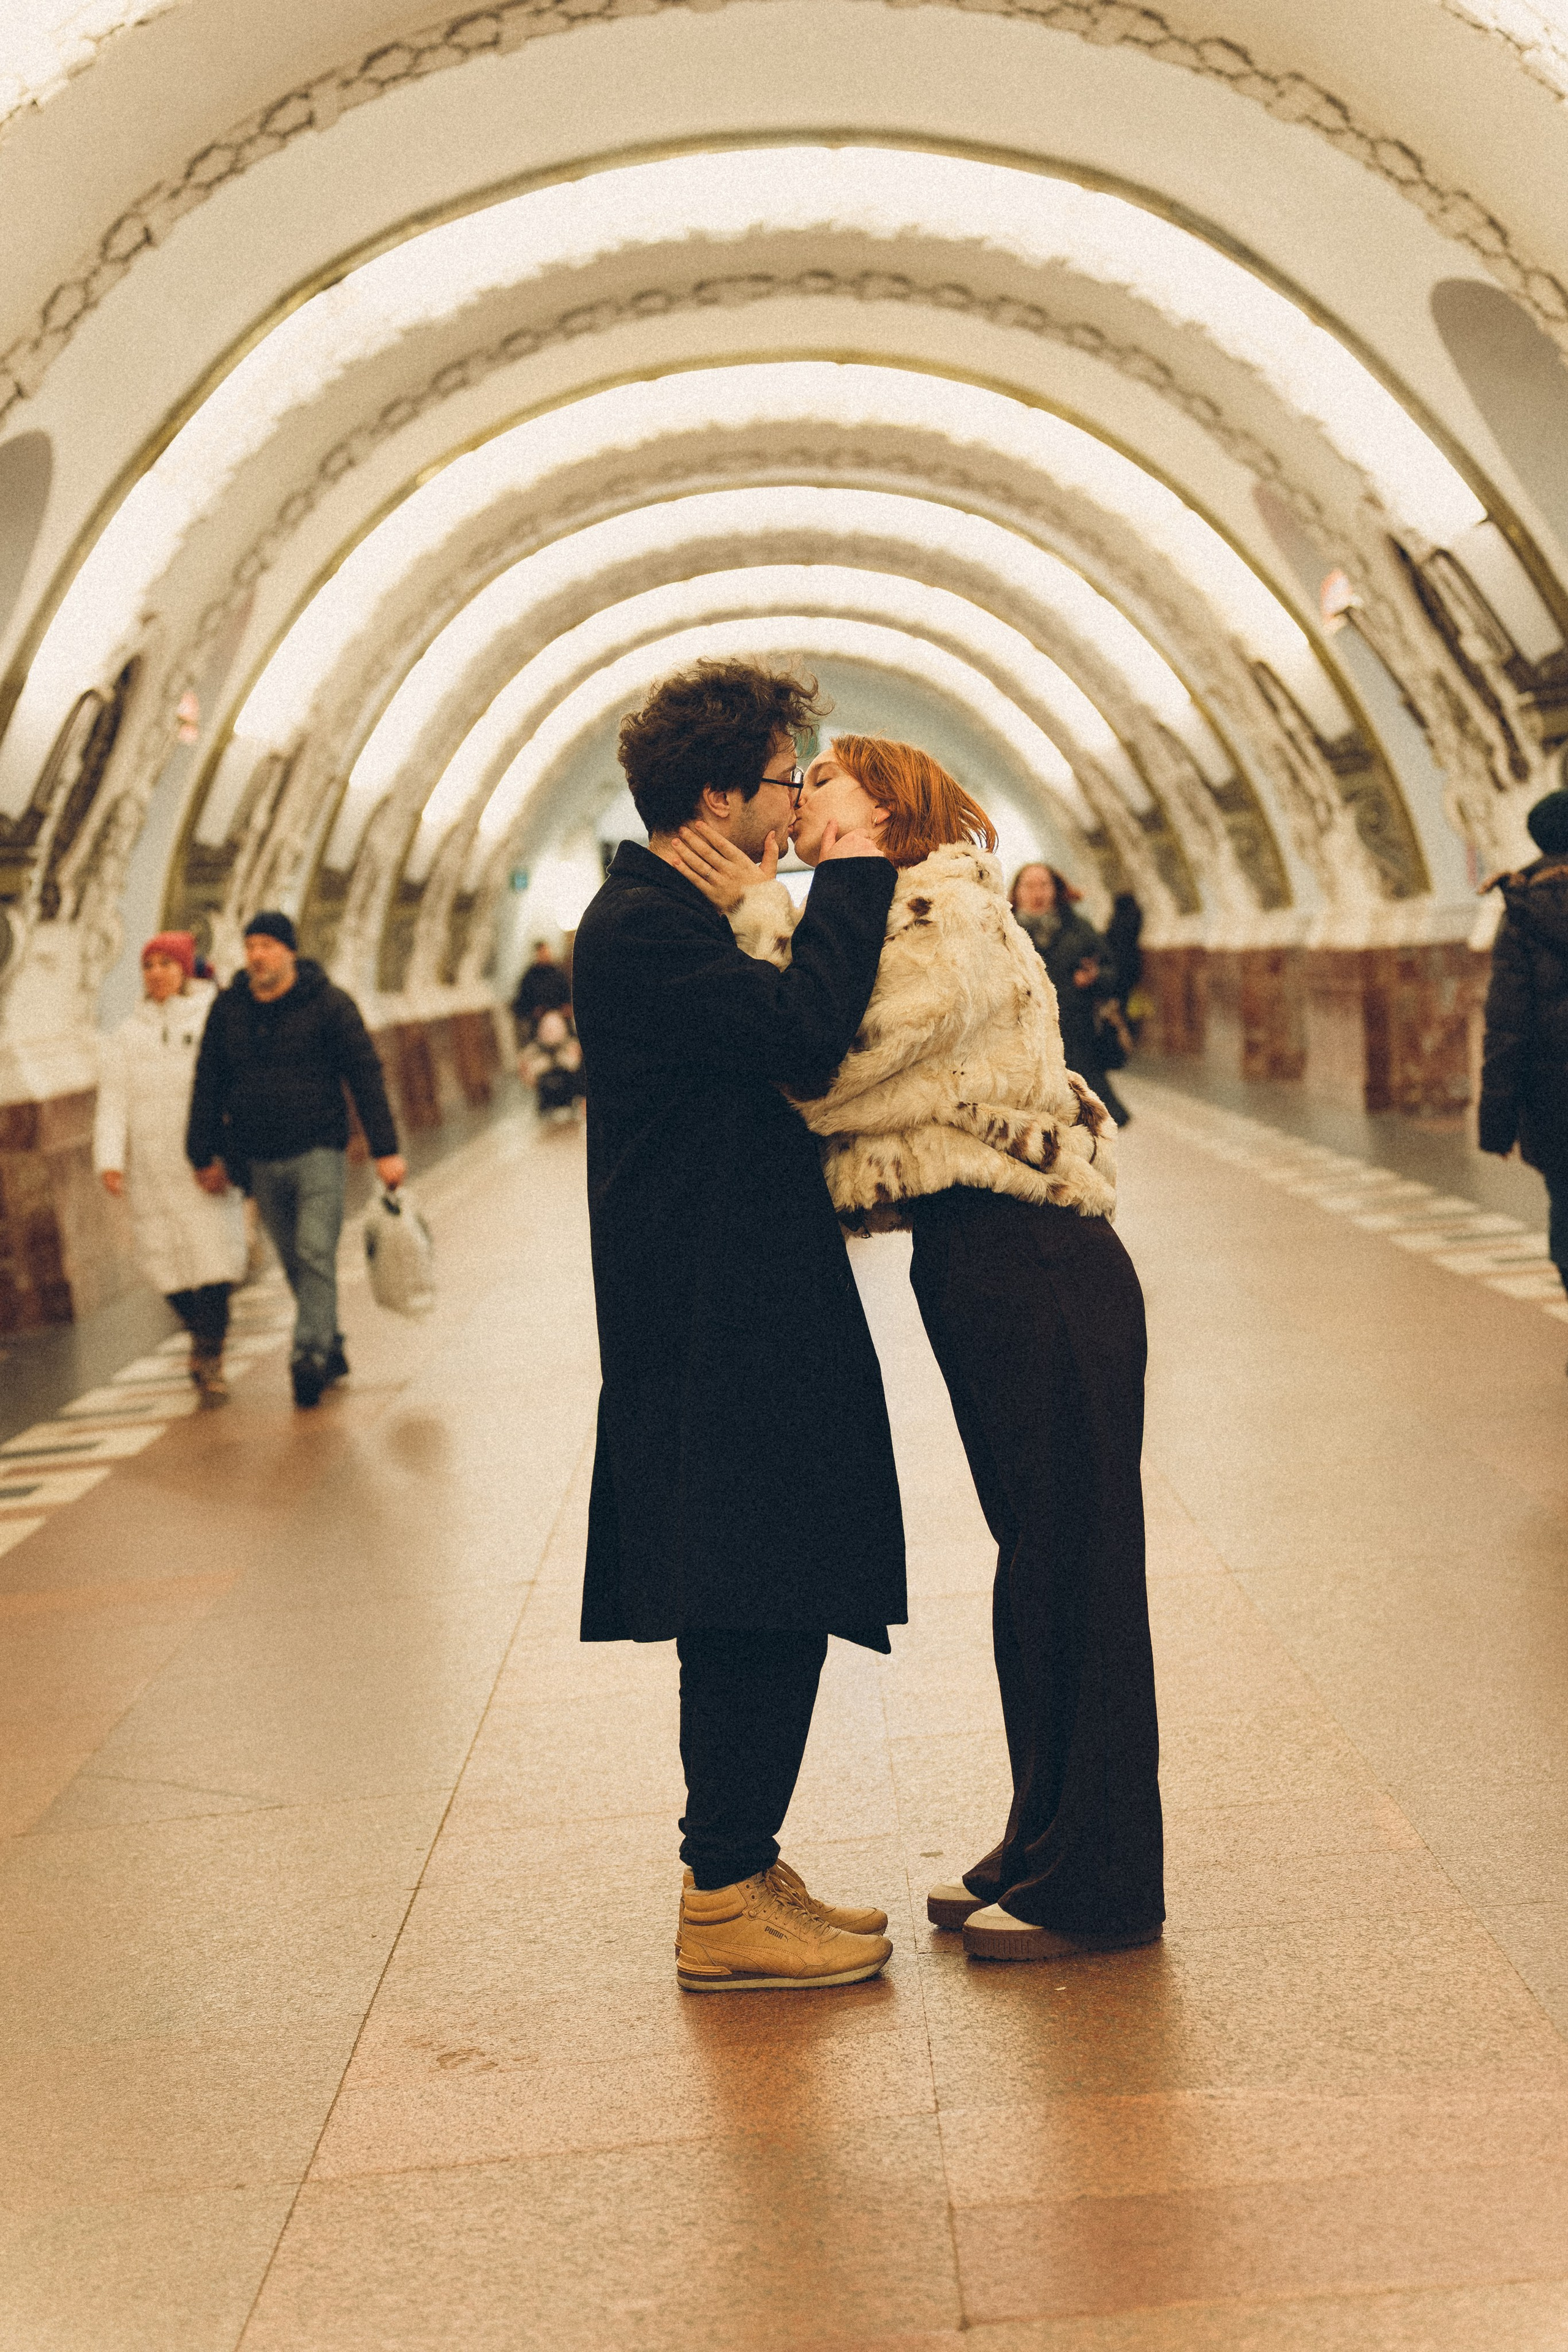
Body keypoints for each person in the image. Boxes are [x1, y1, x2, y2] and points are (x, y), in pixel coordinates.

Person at [673, 736, 1164, 1963]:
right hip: (991, 1258)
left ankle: (1097, 1885)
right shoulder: (919, 909)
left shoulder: (932, 916)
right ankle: (1043, 1838)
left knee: (1076, 1574)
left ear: (880, 807)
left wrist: (754, 921)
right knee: (1039, 1564)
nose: (797, 806)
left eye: (822, 784)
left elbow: (827, 1081)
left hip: (1033, 1261)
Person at [571, 658, 905, 1994]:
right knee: (744, 1582)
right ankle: (719, 1888)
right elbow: (807, 1038)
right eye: (782, 782)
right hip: (714, 1313)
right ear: (716, 790)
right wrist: (850, 882)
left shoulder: (673, 911)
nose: (792, 809)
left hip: (738, 1295)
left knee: (771, 1575)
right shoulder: (648, 924)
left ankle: (741, 1861)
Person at [186, 911, 405, 1408]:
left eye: (266, 945)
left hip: (319, 1149)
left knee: (313, 1251)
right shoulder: (229, 1009)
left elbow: (365, 1074)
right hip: (258, 1157)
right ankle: (331, 1345)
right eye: (251, 946)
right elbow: (208, 1081)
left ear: (289, 950)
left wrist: (386, 1149)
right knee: (294, 1261)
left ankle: (307, 1357)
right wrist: (200, 1151)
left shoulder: (329, 1003)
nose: (257, 955)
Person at [94, 931, 247, 1404]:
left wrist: (228, 1153)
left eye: (166, 964)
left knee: (214, 1260)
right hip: (152, 1171)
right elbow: (113, 1101)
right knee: (165, 1267)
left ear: (185, 970)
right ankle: (203, 1338)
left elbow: (231, 1090)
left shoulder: (211, 1021)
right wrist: (111, 1159)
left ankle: (210, 1356)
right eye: (149, 965)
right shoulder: (126, 1035)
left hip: (202, 1165)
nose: (156, 973)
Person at [1479, 785, 1568, 1326]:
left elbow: (1507, 1026)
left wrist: (1497, 1123)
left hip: (1552, 1098)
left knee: (1567, 1200)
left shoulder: (1521, 913)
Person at [1010, 862, 1130, 1125]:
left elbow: (1113, 973)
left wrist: (1095, 977)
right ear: (1016, 892)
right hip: (1022, 1042)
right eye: (1029, 886)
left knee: (1083, 1123)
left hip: (1076, 1040)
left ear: (1056, 889)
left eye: (1044, 885)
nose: (1037, 893)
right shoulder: (1006, 932)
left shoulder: (1079, 929)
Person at [511, 940, 572, 1038]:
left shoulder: (559, 974)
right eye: (541, 952)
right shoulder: (529, 978)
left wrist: (566, 1008)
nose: (545, 955)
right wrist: (533, 1012)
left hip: (561, 1021)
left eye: (546, 951)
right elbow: (522, 1004)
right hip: (539, 1026)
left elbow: (567, 996)